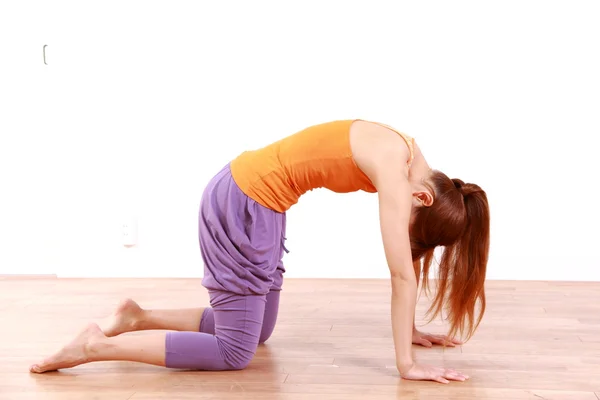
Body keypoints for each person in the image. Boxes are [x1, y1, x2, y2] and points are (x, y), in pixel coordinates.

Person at [29, 119, 490, 384]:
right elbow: (401, 274)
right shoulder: (396, 170)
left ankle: (138, 316)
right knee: (235, 351)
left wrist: (409, 329)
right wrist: (406, 366)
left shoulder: (411, 158)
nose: (401, 231)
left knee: (259, 331)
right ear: (423, 201)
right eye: (414, 229)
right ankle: (94, 345)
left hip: (259, 201)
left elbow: (406, 253)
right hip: (245, 201)